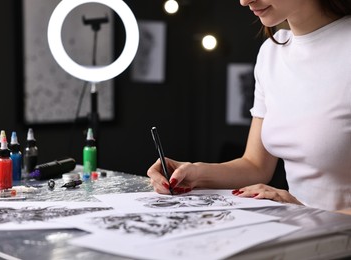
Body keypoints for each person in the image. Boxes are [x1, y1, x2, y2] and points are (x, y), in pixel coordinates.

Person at [147, 0, 351, 211]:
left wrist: (309, 212)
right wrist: (194, 173)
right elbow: (256, 165)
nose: (244, 1)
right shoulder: (271, 53)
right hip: (302, 233)